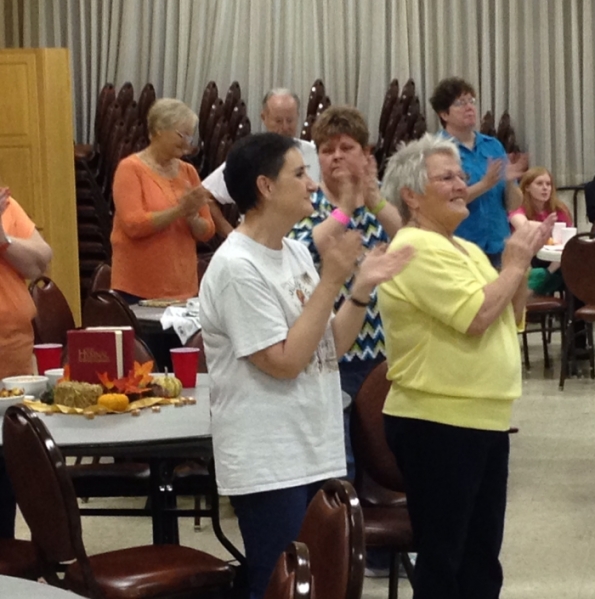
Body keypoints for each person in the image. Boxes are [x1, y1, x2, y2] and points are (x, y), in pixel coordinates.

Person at [199, 133, 412, 599]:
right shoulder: (236, 266)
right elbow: (285, 362)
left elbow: (330, 344)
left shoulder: (293, 251)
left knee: (319, 585)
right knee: (281, 585)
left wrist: (360, 287)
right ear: (265, 186)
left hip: (314, 448)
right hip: (270, 460)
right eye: (299, 174)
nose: (313, 184)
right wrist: (332, 280)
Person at [378, 133, 553, 598]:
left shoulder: (466, 248)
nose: (462, 184)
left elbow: (509, 313)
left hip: (482, 418)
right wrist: (513, 264)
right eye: (447, 178)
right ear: (412, 196)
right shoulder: (413, 248)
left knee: (480, 561)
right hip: (437, 420)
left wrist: (521, 263)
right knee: (445, 562)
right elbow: (476, 317)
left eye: (461, 175)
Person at [289, 105, 403, 479]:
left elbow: (410, 243)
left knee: (384, 457)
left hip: (381, 350)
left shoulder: (379, 205)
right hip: (331, 351)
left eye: (346, 147)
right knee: (341, 461)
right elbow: (305, 249)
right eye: (327, 150)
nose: (336, 156)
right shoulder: (307, 201)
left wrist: (374, 200)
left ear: (366, 154)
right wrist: (344, 208)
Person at [110, 98, 214, 302]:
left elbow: (207, 231)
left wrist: (193, 218)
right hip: (138, 289)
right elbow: (133, 225)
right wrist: (179, 211)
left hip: (183, 288)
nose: (187, 143)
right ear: (159, 130)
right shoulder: (130, 169)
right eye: (182, 135)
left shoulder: (188, 171)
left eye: (190, 136)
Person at [429, 77, 527, 268]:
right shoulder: (437, 150)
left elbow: (513, 204)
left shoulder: (493, 145)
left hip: (498, 246)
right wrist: (485, 184)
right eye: (460, 103)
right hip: (459, 248)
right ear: (444, 114)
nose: (469, 107)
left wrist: (509, 182)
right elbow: (439, 203)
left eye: (471, 101)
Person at [0, 185, 52, 539]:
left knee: (7, 472)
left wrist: (3, 239)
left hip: (13, 353)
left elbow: (40, 261)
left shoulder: (5, 205)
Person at [203, 88, 321, 237]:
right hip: (259, 241)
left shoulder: (314, 153)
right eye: (278, 121)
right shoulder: (250, 155)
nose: (285, 127)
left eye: (290, 120)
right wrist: (232, 235)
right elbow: (204, 195)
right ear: (264, 117)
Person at [509, 167, 572, 295]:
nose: (545, 188)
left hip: (555, 261)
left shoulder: (559, 209)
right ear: (527, 187)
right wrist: (547, 226)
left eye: (548, 184)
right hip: (528, 259)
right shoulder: (518, 207)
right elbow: (524, 227)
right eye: (539, 183)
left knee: (576, 270)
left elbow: (569, 236)